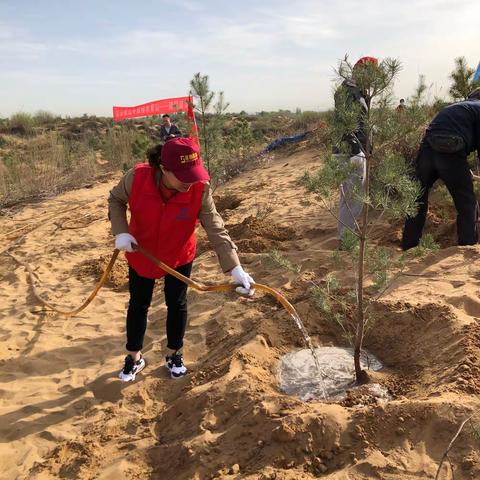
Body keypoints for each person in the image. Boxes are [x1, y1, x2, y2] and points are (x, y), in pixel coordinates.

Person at [108, 137, 255, 381]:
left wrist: (235, 268)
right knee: (138, 304)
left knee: (177, 303)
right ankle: (134, 358)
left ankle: (174, 354)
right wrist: (121, 231)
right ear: (163, 169)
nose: (190, 182)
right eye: (183, 176)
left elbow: (215, 226)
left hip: (179, 254)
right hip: (141, 253)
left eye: (193, 174)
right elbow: (115, 199)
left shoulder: (200, 187)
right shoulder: (137, 178)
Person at [401, 87, 480, 250]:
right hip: (451, 152)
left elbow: (444, 132)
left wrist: (462, 166)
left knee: (418, 198)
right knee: (466, 203)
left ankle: (409, 246)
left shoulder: (458, 106)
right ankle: (467, 245)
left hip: (427, 149)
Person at [333, 56, 377, 244]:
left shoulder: (354, 92)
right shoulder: (350, 93)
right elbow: (350, 124)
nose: (375, 78)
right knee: (353, 199)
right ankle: (346, 241)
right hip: (351, 151)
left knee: (349, 198)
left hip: (350, 150)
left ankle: (346, 238)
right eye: (373, 73)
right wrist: (357, 149)